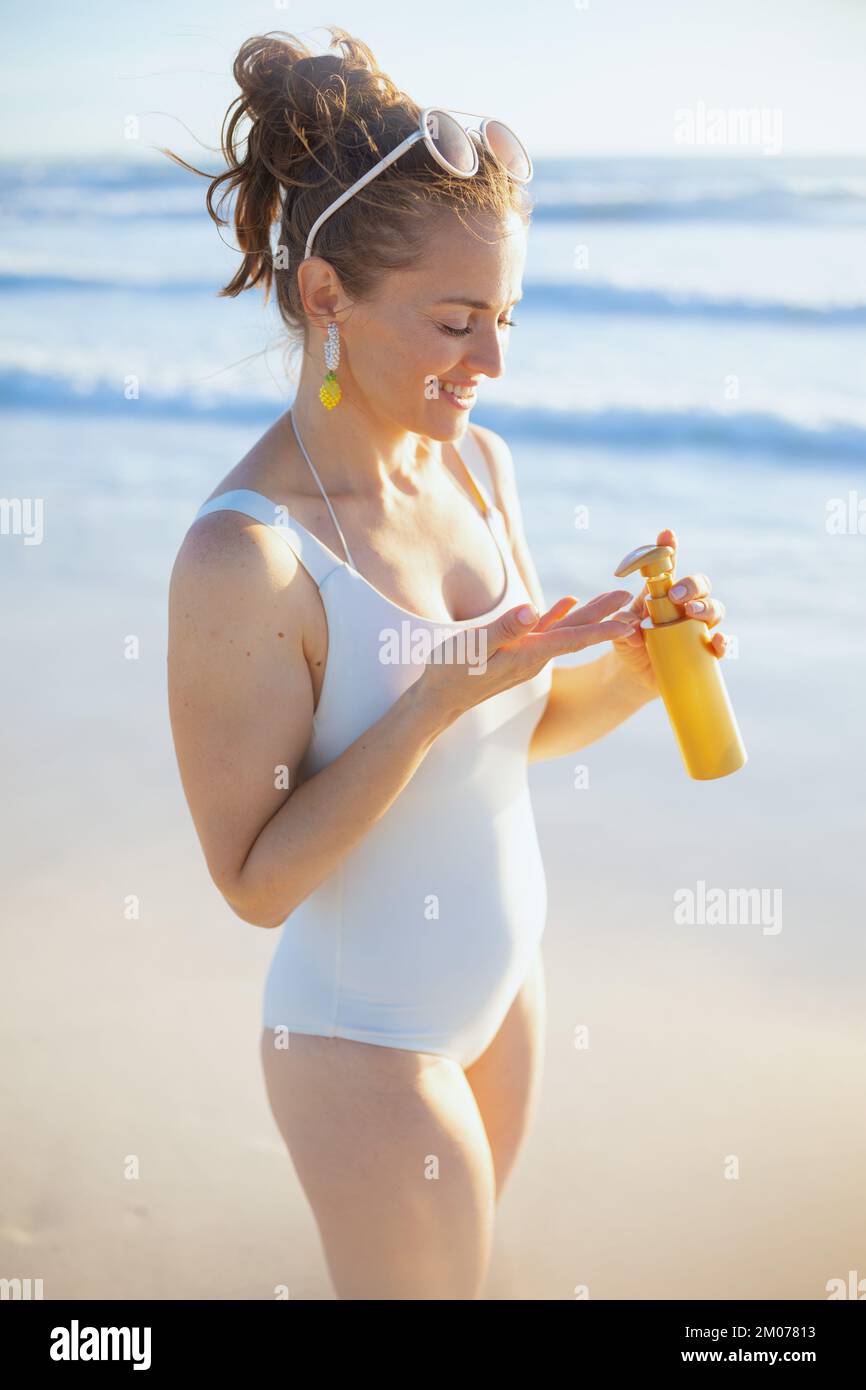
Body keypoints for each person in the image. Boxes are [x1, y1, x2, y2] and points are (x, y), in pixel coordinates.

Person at [166, 27, 728, 1300]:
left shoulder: (481, 467)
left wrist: (641, 667)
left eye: (506, 316)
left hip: (503, 992)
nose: (493, 362)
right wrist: (432, 697)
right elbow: (255, 882)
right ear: (326, 297)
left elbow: (509, 735)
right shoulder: (243, 558)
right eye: (456, 320)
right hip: (363, 1042)